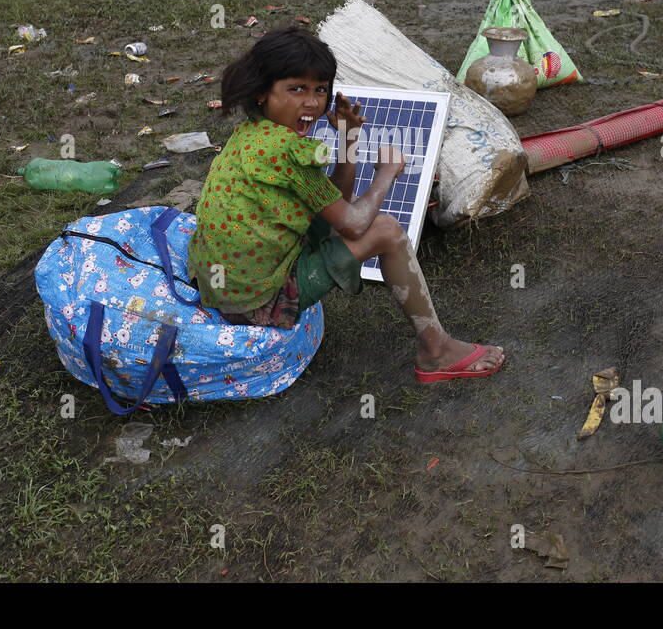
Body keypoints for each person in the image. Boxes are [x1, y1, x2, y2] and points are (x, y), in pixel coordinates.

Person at [187, 26, 505, 382]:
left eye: (320, 90)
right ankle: (436, 351)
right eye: (296, 89)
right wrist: (386, 174)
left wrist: (349, 138)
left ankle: (436, 347)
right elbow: (352, 223)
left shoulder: (256, 133)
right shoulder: (288, 149)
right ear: (263, 92)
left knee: (352, 219)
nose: (311, 103)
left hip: (222, 285)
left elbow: (335, 202)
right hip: (253, 304)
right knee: (385, 229)